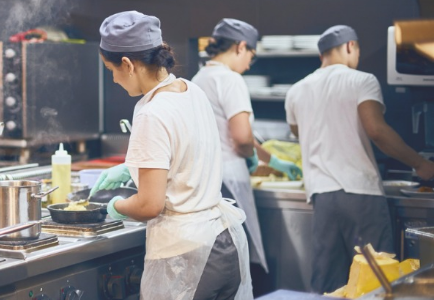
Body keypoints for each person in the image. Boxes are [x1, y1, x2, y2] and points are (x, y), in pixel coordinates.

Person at [91, 11, 253, 300]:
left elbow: (150, 205)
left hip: (188, 258)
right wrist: (133, 168)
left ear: (127, 64)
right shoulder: (192, 90)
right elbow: (184, 155)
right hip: (223, 242)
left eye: (110, 69)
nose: (113, 79)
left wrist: (116, 206)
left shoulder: (152, 112)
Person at [284, 25, 434, 293]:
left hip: (322, 196)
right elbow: (376, 130)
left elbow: (298, 132)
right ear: (350, 46)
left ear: (322, 55)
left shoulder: (296, 90)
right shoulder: (361, 80)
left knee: (328, 284)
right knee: (376, 278)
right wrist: (420, 164)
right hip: (360, 194)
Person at [191, 18, 302, 273]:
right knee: (239, 255)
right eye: (251, 54)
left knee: (218, 255)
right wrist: (250, 156)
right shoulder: (230, 80)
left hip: (206, 178)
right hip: (230, 179)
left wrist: (270, 159)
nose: (250, 62)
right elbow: (241, 138)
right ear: (241, 46)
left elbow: (233, 132)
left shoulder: (199, 78)